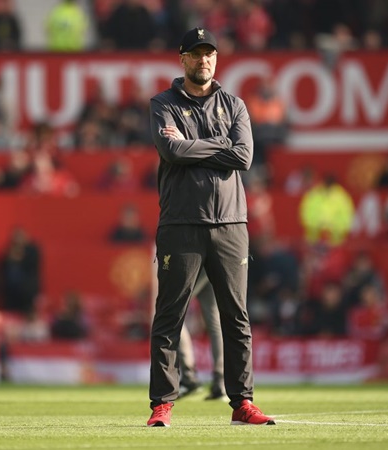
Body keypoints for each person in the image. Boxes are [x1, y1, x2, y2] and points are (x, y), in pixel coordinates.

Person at [146, 27, 275, 427]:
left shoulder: (234, 104)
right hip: (181, 223)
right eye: (197, 53)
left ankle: (242, 403)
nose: (204, 60)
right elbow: (171, 150)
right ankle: (162, 405)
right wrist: (221, 144)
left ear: (216, 59)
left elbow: (244, 157)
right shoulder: (162, 103)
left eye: (210, 54)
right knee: (170, 316)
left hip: (231, 223)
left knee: (236, 317)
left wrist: (193, 146)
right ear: (182, 58)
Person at [176, 270, 226, 401]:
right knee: (214, 322)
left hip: (197, 263)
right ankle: (220, 382)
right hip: (215, 264)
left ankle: (189, 378)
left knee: (172, 311)